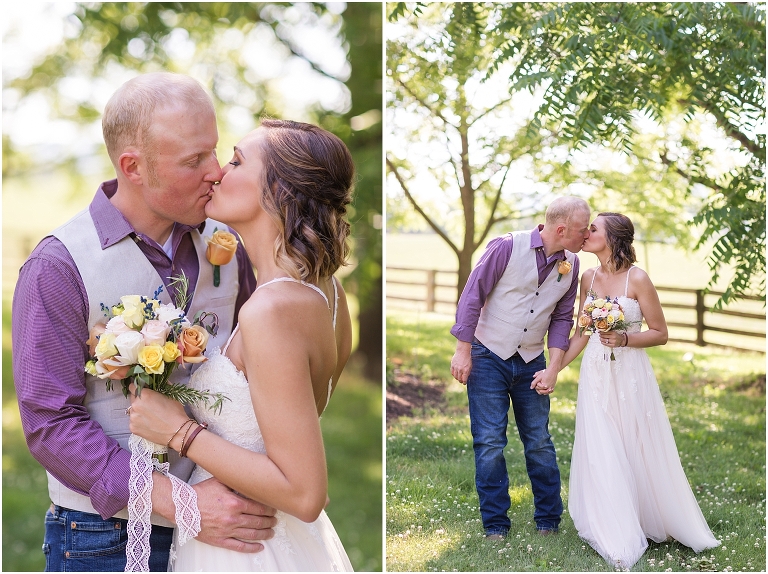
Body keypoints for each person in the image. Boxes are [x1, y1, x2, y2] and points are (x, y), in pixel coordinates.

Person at [11, 72, 277, 572]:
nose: (216, 172)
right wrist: (181, 502)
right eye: (194, 160)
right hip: (103, 537)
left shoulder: (229, 244)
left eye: (215, 151)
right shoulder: (58, 267)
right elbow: (50, 424)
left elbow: (263, 371)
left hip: (227, 531)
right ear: (133, 167)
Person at [126, 119, 355, 571]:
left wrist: (179, 432)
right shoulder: (329, 293)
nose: (217, 172)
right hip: (280, 538)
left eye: (235, 161)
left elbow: (306, 493)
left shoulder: (270, 310)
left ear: (279, 191)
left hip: (245, 547)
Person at [533, 212, 720, 568]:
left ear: (613, 238)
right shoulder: (587, 277)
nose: (586, 232)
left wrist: (625, 339)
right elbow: (581, 334)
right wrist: (553, 370)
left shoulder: (638, 278)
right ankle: (611, 524)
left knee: (635, 443)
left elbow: (660, 333)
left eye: (593, 229)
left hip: (631, 373)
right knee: (601, 443)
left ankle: (646, 518)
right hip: (595, 373)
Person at [449, 196, 591, 539]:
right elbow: (472, 295)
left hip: (531, 361)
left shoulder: (572, 264)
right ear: (562, 229)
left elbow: (562, 318)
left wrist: (553, 367)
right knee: (489, 442)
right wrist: (463, 351)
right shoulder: (506, 247)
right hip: (487, 355)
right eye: (582, 229)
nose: (587, 235)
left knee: (539, 441)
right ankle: (495, 524)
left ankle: (548, 521)